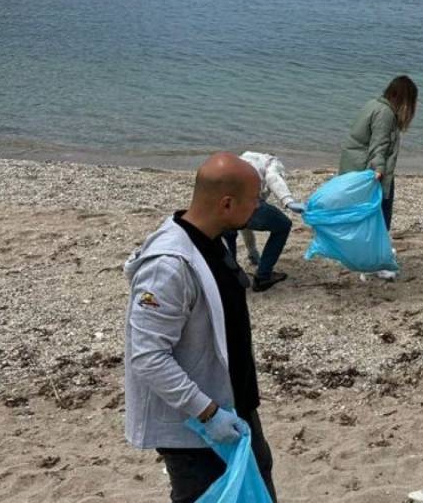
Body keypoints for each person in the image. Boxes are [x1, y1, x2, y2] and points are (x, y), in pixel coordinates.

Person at [123, 153, 278, 502]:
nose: (258, 206)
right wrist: (208, 414)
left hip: (235, 406)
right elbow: (148, 357)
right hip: (198, 428)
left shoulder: (211, 240)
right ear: (227, 203)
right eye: (255, 199)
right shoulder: (168, 267)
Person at [339, 75, 418, 231]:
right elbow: (379, 145)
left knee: (357, 216)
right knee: (379, 218)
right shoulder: (385, 113)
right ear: (403, 99)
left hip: (352, 167)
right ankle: (375, 244)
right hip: (368, 170)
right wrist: (379, 170)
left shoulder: (373, 104)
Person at [222, 151, 304, 293]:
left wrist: (252, 251)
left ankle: (230, 279)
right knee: (283, 225)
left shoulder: (244, 158)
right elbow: (273, 178)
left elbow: (243, 223)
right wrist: (288, 201)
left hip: (221, 201)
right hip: (245, 202)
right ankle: (263, 277)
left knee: (230, 233)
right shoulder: (272, 162)